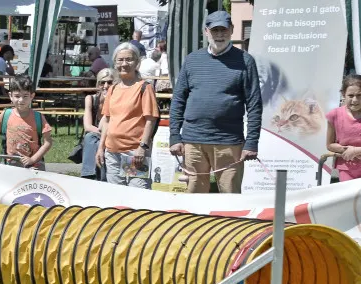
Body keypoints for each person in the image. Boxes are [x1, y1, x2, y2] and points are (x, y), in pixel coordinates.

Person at [168, 11, 262, 194]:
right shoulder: (192, 59)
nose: (219, 35)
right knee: (194, 196)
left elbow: (254, 104)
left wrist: (252, 142)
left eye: (224, 30)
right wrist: (174, 136)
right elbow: (178, 100)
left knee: (230, 196)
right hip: (193, 141)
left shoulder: (245, 61)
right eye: (215, 30)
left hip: (228, 142)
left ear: (232, 30)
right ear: (206, 32)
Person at [95, 43, 159, 188]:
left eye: (129, 60)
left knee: (135, 196)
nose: (124, 64)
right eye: (120, 60)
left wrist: (142, 147)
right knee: (116, 197)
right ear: (115, 62)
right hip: (112, 153)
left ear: (137, 62)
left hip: (134, 153)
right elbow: (107, 120)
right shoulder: (112, 89)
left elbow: (150, 120)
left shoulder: (144, 87)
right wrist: (100, 148)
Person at [0, 74, 53, 170]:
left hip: (34, 166)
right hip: (10, 165)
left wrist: (33, 159)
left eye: (25, 96)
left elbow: (48, 142)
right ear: (10, 96)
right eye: (17, 96)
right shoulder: (6, 115)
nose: (21, 100)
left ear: (32, 96)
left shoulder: (38, 117)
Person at [81, 68, 115, 181]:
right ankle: (90, 176)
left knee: (93, 140)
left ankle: (94, 178)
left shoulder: (117, 100)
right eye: (102, 82)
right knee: (91, 137)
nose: (106, 86)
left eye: (110, 82)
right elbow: (88, 126)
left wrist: (109, 101)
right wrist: (102, 135)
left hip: (112, 135)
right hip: (96, 136)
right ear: (97, 84)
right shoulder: (90, 99)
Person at [326, 75, 361, 181]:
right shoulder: (334, 115)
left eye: (359, 95)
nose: (355, 100)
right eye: (351, 95)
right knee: (350, 197)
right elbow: (330, 145)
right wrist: (347, 150)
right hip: (346, 168)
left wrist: (356, 150)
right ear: (343, 94)